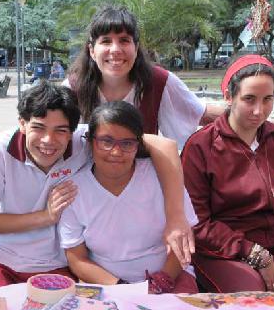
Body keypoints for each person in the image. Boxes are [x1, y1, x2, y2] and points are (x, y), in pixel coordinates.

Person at [0, 82, 194, 288]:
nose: (48, 140)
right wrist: (44, 217)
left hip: (54, 262)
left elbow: (161, 144)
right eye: (39, 128)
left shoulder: (88, 141)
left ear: (74, 132)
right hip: (0, 257)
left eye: (60, 130)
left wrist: (175, 216)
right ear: (22, 123)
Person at [181, 55, 274, 292]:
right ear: (229, 97)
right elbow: (197, 222)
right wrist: (255, 254)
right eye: (249, 99)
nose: (258, 111)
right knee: (255, 293)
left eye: (267, 99)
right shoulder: (201, 146)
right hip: (222, 252)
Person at [59, 101, 199, 293]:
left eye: (127, 144)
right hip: (106, 285)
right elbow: (77, 259)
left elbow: (183, 239)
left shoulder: (162, 177)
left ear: (138, 144)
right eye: (106, 142)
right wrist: (123, 289)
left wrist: (161, 281)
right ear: (91, 142)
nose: (116, 152)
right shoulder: (73, 190)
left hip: (170, 277)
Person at [65, 6, 224, 148]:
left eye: (124, 40)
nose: (115, 49)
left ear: (136, 48)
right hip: (87, 178)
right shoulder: (73, 88)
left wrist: (243, 112)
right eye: (106, 41)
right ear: (92, 51)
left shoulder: (158, 81)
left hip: (143, 176)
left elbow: (199, 114)